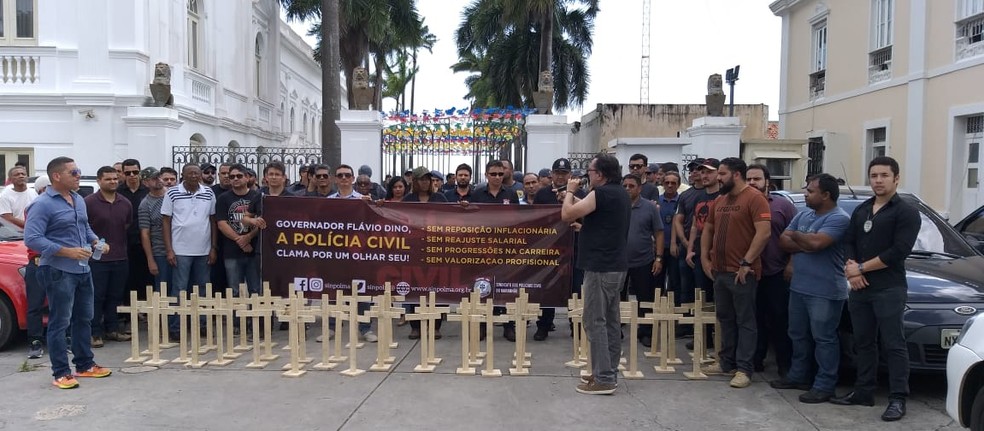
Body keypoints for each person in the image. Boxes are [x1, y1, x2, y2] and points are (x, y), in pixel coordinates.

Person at [831, 156, 919, 422]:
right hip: (860, 288)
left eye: (883, 175)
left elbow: (898, 251)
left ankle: (897, 398)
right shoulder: (863, 209)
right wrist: (851, 268)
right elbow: (849, 240)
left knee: (894, 344)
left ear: (896, 178)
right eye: (874, 176)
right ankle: (863, 391)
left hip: (888, 288)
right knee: (863, 342)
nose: (878, 180)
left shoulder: (906, 212)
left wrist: (861, 268)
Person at [25, 157, 113, 389]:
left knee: (84, 317)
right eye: (74, 173)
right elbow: (32, 238)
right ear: (57, 176)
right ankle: (61, 373)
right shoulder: (42, 204)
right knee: (59, 322)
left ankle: (84, 365)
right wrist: (66, 252)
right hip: (57, 270)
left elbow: (84, 227)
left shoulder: (77, 199)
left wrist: (95, 241)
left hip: (82, 269)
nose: (78, 176)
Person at [771, 173, 851, 404]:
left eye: (810, 191)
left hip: (825, 290)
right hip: (799, 287)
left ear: (826, 195)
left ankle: (825, 385)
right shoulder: (805, 214)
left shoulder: (839, 218)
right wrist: (804, 240)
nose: (806, 194)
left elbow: (816, 243)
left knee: (824, 338)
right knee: (797, 334)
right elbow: (782, 242)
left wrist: (796, 235)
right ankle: (798, 376)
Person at [699, 157, 771, 389]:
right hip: (719, 272)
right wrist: (704, 257)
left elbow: (764, 233)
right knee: (725, 319)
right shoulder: (720, 200)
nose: (718, 178)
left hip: (742, 273)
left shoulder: (755, 198)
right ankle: (726, 362)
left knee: (745, 321)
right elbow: (708, 228)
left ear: (736, 175)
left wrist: (747, 262)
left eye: (722, 174)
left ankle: (744, 369)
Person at [561, 153, 630, 395]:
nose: (587, 175)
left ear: (600, 174)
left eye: (590, 171)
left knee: (594, 321)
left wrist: (569, 191)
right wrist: (585, 227)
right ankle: (607, 371)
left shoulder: (602, 193)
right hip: (615, 265)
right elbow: (603, 221)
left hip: (601, 267)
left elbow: (567, 214)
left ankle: (604, 378)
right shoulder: (619, 192)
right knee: (610, 321)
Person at [746, 164, 797, 376]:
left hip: (777, 272)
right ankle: (756, 360)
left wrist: (791, 263)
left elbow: (796, 236)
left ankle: (784, 365)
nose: (752, 183)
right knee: (755, 319)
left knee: (779, 319)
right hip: (750, 272)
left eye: (756, 179)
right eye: (749, 179)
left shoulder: (783, 206)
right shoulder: (743, 204)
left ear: (767, 181)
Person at [162, 164, 217, 338]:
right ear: (183, 175)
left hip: (203, 249)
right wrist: (169, 249)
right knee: (179, 289)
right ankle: (176, 327)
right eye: (190, 173)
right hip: (180, 250)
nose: (194, 175)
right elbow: (166, 221)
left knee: (202, 288)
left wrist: (213, 247)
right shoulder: (172, 193)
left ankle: (201, 324)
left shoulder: (208, 193)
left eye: (196, 173)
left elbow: (213, 220)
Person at [533, 158, 586, 340]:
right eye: (558, 173)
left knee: (575, 288)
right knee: (547, 287)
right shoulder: (542, 195)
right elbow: (535, 220)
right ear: (552, 174)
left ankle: (576, 326)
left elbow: (587, 218)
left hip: (575, 247)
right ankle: (544, 325)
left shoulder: (581, 193)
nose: (561, 177)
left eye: (564, 173)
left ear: (570, 175)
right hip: (550, 248)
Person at [467, 160, 519, 341]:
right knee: (481, 286)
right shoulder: (477, 193)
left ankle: (508, 325)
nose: (497, 177)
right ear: (486, 175)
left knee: (506, 286)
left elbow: (517, 219)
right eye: (493, 174)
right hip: (482, 246)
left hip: (504, 246)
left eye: (500, 174)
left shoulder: (511, 194)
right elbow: (470, 219)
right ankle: (481, 323)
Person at [85, 166, 133, 346]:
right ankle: (94, 333)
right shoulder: (88, 202)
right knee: (96, 297)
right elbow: (83, 228)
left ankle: (112, 329)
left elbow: (126, 225)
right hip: (96, 260)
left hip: (120, 258)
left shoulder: (125, 203)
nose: (113, 182)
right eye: (108, 179)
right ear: (99, 181)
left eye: (115, 178)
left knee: (115, 296)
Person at [328, 164, 376, 342]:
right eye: (339, 175)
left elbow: (373, 225)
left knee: (362, 291)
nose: (343, 178)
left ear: (353, 178)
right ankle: (332, 327)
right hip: (335, 255)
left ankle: (365, 329)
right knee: (334, 291)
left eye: (347, 175)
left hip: (358, 253)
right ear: (335, 179)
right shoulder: (328, 202)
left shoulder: (363, 200)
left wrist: (370, 205)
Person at [402, 166, 447, 339]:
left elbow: (450, 217)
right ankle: (416, 326)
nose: (425, 182)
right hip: (414, 249)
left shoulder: (439, 198)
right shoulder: (408, 199)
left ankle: (435, 325)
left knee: (436, 288)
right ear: (415, 181)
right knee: (415, 287)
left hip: (436, 248)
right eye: (421, 179)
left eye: (427, 179)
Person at [621, 174, 663, 348]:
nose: (628, 189)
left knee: (645, 297)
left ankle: (645, 332)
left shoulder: (650, 207)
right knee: (617, 297)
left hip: (644, 260)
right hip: (619, 261)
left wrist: (659, 257)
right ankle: (616, 329)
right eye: (625, 186)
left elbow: (659, 232)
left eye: (631, 186)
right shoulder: (617, 206)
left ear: (639, 188)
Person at [215, 164, 262, 297]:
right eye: (232, 177)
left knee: (255, 289)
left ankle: (255, 317)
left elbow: (262, 221)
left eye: (239, 176)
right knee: (234, 290)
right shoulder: (223, 198)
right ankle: (235, 318)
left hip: (253, 251)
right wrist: (240, 241)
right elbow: (222, 224)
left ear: (247, 178)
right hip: (232, 251)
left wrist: (248, 238)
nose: (235, 179)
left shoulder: (257, 196)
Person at [686, 158, 721, 305]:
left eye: (709, 172)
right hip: (699, 253)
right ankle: (703, 329)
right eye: (702, 171)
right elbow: (695, 225)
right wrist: (690, 249)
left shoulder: (723, 197)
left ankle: (717, 328)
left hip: (718, 253)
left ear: (719, 173)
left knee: (718, 296)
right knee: (701, 296)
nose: (704, 175)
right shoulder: (699, 197)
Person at [672, 159, 705, 309]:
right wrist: (683, 242)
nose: (694, 172)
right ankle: (685, 325)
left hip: (704, 248)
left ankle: (703, 328)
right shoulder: (685, 195)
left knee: (703, 289)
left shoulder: (712, 193)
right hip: (686, 248)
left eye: (698, 169)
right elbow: (678, 220)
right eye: (691, 170)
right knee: (685, 287)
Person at [118, 159, 150, 310]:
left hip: (146, 242)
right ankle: (127, 313)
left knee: (146, 278)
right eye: (128, 173)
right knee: (126, 279)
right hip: (124, 242)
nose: (132, 175)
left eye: (135, 172)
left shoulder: (148, 191)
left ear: (140, 173)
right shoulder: (117, 192)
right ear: (123, 174)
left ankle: (144, 311)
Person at [138, 167, 171, 292]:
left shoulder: (173, 195)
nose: (158, 180)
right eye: (154, 178)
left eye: (159, 177)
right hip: (160, 251)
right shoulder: (145, 204)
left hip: (180, 248)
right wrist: (150, 260)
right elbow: (145, 233)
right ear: (146, 183)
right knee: (163, 288)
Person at [657, 171, 680, 305]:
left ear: (678, 185)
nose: (670, 185)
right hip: (658, 248)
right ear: (662, 184)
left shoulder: (682, 200)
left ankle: (673, 314)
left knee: (675, 281)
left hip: (675, 248)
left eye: (673, 183)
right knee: (657, 281)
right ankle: (657, 311)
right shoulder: (656, 201)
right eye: (667, 182)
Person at [0, 165, 37, 230]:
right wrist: (30, 226)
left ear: (27, 177)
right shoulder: (5, 196)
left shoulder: (35, 192)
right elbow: (7, 218)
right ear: (10, 180)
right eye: (17, 175)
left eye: (23, 174)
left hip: (36, 230)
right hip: (17, 233)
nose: (21, 176)